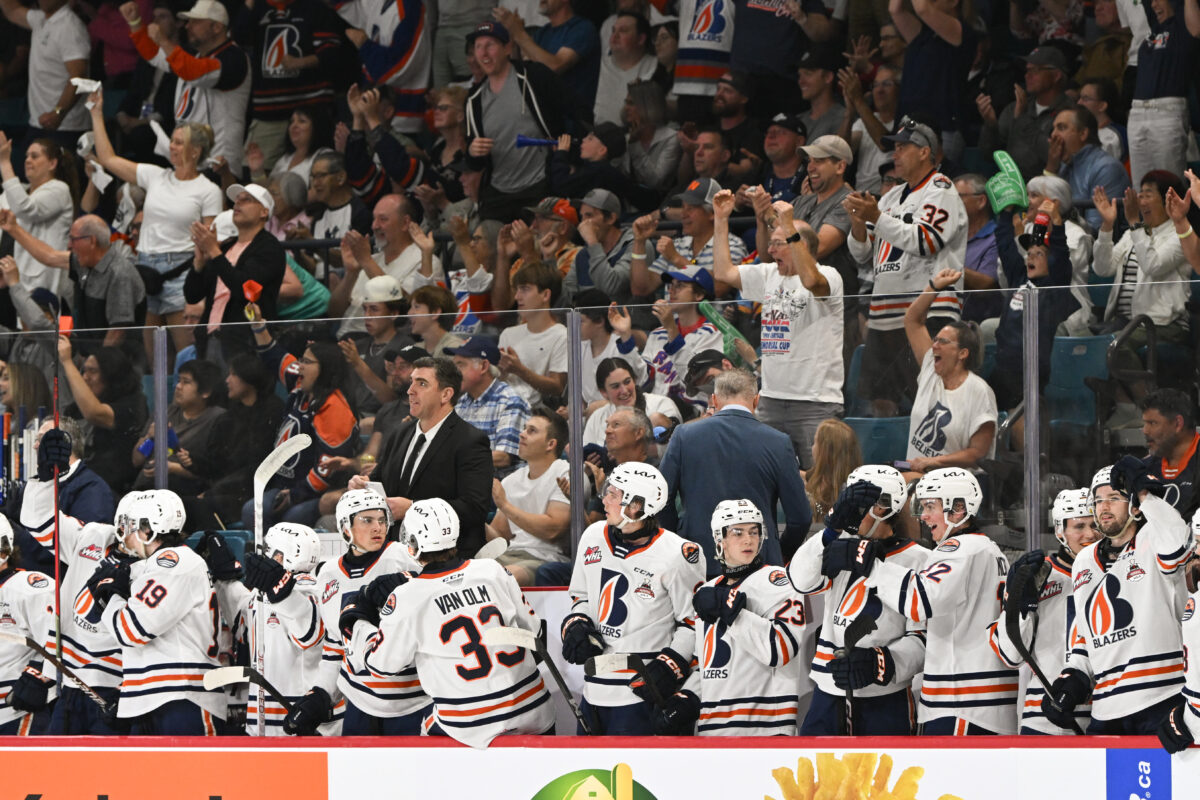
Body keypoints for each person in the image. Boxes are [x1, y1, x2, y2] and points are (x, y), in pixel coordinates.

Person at [346, 498, 555, 745]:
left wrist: (357, 620)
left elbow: (381, 666)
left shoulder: (407, 597)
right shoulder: (493, 570)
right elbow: (536, 635)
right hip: (536, 711)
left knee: (421, 724)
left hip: (471, 727)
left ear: (410, 542)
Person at [826, 468, 1017, 734]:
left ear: (958, 509)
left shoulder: (960, 549)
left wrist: (867, 563)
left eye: (930, 506)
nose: (924, 516)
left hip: (963, 703)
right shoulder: (988, 549)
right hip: (980, 702)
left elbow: (920, 600)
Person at [1046, 459, 1190, 734]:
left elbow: (1177, 545)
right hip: (1106, 708)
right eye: (1098, 500)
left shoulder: (1153, 539)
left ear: (1135, 506)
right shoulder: (1084, 561)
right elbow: (1083, 635)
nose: (1104, 507)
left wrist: (1146, 494)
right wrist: (1072, 679)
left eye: (1114, 497)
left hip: (1161, 698)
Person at [561, 461, 706, 735]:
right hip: (593, 690)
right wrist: (577, 622)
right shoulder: (593, 535)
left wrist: (671, 663)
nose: (604, 499)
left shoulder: (678, 554)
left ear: (635, 505)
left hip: (640, 694)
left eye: (614, 494)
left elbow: (693, 622)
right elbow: (581, 596)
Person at [789, 466, 929, 735]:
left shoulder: (920, 559)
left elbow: (922, 638)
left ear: (884, 508)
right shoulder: (838, 544)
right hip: (827, 694)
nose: (853, 512)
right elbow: (800, 580)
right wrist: (831, 530)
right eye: (849, 503)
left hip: (886, 699)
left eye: (860, 505)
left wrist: (881, 662)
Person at [87, 85, 221, 359]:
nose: (172, 146)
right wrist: (97, 113)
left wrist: (201, 283)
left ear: (196, 151)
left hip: (181, 271)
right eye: (172, 140)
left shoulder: (208, 190)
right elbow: (109, 159)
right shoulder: (155, 175)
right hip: (145, 269)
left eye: (180, 142)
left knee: (186, 357)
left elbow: (211, 244)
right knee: (154, 359)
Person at [845, 117, 967, 418]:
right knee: (881, 398)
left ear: (924, 152)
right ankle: (889, 458)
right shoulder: (889, 197)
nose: (894, 155)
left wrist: (877, 217)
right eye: (893, 148)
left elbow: (927, 241)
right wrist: (859, 224)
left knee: (933, 394)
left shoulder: (941, 190)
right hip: (885, 314)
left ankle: (932, 460)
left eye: (902, 148)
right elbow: (862, 254)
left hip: (930, 312)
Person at [658, 498, 812, 736]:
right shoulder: (707, 591)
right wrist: (687, 697)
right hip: (712, 732)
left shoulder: (780, 581)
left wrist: (732, 611)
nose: (748, 539)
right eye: (737, 533)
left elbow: (780, 649)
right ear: (720, 539)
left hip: (766, 730)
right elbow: (708, 665)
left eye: (754, 531)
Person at [715, 191, 844, 468]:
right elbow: (723, 273)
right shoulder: (768, 275)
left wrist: (790, 225)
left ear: (801, 246)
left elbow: (811, 281)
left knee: (820, 484)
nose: (770, 251)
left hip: (815, 401)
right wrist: (721, 218)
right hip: (771, 399)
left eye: (778, 243)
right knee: (764, 477)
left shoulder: (830, 275)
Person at [282, 489, 423, 736]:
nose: (378, 527)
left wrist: (414, 580)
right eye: (367, 521)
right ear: (346, 528)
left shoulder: (402, 557)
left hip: (411, 701)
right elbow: (336, 647)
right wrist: (320, 695)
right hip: (359, 704)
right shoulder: (328, 575)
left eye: (381, 520)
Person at [87, 490, 227, 734]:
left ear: (147, 530)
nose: (124, 536)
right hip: (154, 698)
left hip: (182, 698)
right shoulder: (154, 566)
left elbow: (132, 631)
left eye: (129, 527)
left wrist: (109, 597)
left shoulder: (174, 563)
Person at [658, 368, 812, 573]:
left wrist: (679, 542)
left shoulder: (684, 436)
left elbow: (660, 499)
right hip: (760, 563)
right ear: (756, 401)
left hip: (697, 561)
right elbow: (800, 518)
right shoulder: (778, 442)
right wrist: (780, 551)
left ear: (714, 400)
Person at [202, 523, 338, 735]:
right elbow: (245, 620)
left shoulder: (311, 589)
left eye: (268, 550)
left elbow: (309, 635)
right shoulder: (265, 594)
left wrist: (281, 593)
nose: (262, 555)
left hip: (306, 722)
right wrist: (224, 578)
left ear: (280, 557)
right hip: (266, 722)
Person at [989, 488, 1099, 734]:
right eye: (1079, 526)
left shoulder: (1114, 574)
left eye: (1095, 524)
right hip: (1043, 717)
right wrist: (1021, 606)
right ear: (1060, 531)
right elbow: (1011, 656)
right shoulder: (1036, 575)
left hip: (1102, 712)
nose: (1090, 534)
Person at [364, 357, 493, 557]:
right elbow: (380, 483)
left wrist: (414, 508)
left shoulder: (470, 441)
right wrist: (363, 486)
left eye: (422, 384)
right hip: (394, 553)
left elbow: (473, 509)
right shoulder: (401, 433)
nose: (410, 390)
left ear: (446, 394)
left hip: (445, 558)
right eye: (412, 381)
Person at [245, 307, 359, 528]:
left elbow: (328, 468)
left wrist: (295, 495)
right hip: (286, 485)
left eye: (306, 362)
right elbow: (275, 356)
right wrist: (258, 324)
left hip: (317, 493)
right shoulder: (301, 385)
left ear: (324, 369)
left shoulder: (334, 407)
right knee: (252, 510)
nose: (299, 366)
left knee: (291, 520)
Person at [121, 0, 250, 174]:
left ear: (217, 27)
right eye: (188, 21)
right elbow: (154, 55)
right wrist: (135, 23)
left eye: (196, 22)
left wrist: (163, 40)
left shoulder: (233, 58)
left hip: (218, 163)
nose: (188, 26)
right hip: (189, 159)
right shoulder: (194, 56)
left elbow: (194, 72)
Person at [464, 21, 572, 221]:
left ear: (507, 48)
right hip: (498, 192)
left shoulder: (535, 76)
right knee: (485, 245)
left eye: (490, 45)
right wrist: (472, 150)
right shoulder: (473, 99)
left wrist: (568, 156)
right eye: (478, 47)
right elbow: (474, 163)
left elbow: (573, 110)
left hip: (540, 186)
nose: (483, 53)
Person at [902, 271, 997, 475]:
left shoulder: (979, 391)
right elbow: (912, 320)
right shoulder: (931, 370)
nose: (934, 346)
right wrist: (933, 287)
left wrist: (933, 462)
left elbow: (977, 454)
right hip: (916, 476)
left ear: (962, 353)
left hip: (955, 481)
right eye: (934, 340)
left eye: (942, 342)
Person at [0, 212, 146, 345]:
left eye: (73, 239)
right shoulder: (85, 260)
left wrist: (96, 367)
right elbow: (49, 256)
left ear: (92, 241)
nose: (69, 245)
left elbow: (117, 332)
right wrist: (14, 229)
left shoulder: (120, 273)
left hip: (117, 362)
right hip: (90, 353)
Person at [237, 0, 346, 168]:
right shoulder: (258, 8)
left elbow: (331, 53)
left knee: (316, 171)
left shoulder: (315, 8)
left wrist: (301, 62)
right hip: (268, 111)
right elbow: (238, 38)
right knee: (254, 170)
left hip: (311, 110)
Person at [990, 200, 1075, 414]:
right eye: (1029, 252)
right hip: (1003, 364)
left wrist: (1056, 223)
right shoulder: (1019, 277)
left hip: (1030, 368)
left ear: (1051, 260)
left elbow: (1062, 255)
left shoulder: (1054, 286)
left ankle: (1027, 448)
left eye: (1039, 254)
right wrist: (1006, 213)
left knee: (1019, 413)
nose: (1031, 257)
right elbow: (1005, 246)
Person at [187, 183, 287, 364]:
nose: (237, 204)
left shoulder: (269, 248)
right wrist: (199, 264)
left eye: (246, 200)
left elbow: (245, 289)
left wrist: (214, 252)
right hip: (210, 339)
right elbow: (192, 295)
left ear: (264, 212)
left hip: (245, 344)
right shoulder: (226, 248)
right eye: (236, 200)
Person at [185, 353, 283, 531]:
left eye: (233, 374)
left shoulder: (272, 412)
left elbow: (258, 466)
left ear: (249, 377)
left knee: (198, 506)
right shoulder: (229, 417)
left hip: (251, 490)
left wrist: (212, 493)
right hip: (225, 490)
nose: (227, 380)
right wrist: (193, 461)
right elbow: (217, 464)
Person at [1092, 175, 1192, 344]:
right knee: (1078, 341)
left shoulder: (1180, 235)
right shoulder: (1132, 234)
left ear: (1169, 201)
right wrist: (1107, 226)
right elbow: (1102, 269)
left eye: (1148, 195)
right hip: (1123, 323)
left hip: (1162, 324)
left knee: (1113, 346)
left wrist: (1134, 223)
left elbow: (1153, 265)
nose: (1141, 200)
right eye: (1141, 195)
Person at [332, 194, 439, 339]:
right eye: (374, 219)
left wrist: (366, 262)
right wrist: (351, 273)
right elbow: (334, 313)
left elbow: (406, 308)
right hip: (343, 338)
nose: (374, 226)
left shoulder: (425, 261)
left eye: (383, 219)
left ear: (405, 223)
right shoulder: (370, 260)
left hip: (384, 344)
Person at [489, 407, 571, 586]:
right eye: (524, 429)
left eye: (531, 431)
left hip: (547, 559)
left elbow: (553, 530)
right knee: (466, 575)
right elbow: (500, 537)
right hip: (509, 555)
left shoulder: (565, 473)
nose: (522, 435)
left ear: (551, 444)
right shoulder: (512, 480)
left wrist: (504, 505)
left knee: (503, 578)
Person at [1125, 0, 1200, 190]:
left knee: (1169, 187)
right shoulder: (1154, 29)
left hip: (1167, 113)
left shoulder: (1182, 29)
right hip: (1137, 114)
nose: (1153, 5)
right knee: (1141, 188)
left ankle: (1178, 221)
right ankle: (1144, 221)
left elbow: (1197, 29)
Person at [58, 341, 149, 493]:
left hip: (114, 490)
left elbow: (95, 413)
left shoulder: (133, 404)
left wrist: (67, 362)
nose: (85, 377)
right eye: (84, 371)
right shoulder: (77, 408)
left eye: (93, 371)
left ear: (111, 374)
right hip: (82, 483)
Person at [0, 0, 90, 150]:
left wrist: (58, 112)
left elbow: (78, 77)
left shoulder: (70, 26)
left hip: (66, 126)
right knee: (29, 171)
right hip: (39, 122)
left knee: (60, 173)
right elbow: (12, 10)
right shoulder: (40, 19)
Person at [977, 46, 1074, 181]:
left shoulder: (1070, 113)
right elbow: (988, 154)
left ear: (1056, 75)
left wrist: (1022, 119)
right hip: (1010, 188)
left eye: (1035, 70)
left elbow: (1057, 156)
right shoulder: (1016, 107)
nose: (1027, 75)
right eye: (1027, 70)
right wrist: (990, 125)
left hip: (1047, 187)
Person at [494, 0, 600, 122]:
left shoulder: (582, 28)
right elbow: (522, 72)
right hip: (544, 123)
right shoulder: (542, 33)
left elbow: (555, 66)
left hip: (573, 124)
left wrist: (519, 33)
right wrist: (513, 38)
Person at [0, 517, 57, 736]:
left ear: (4, 550)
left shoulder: (28, 588)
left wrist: (39, 673)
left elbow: (64, 641)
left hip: (16, 712)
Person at [0, 134, 76, 296]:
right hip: (21, 275)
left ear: (52, 163)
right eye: (27, 156)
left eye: (35, 156)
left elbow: (25, 209)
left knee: (42, 321)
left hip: (46, 279)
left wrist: (5, 162)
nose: (28, 160)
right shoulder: (25, 190)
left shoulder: (59, 189)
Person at [639, 265, 723, 401]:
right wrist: (626, 340)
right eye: (670, 286)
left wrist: (672, 329)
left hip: (695, 410)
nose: (671, 291)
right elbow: (643, 380)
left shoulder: (713, 333)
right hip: (656, 408)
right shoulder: (657, 334)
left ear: (699, 295)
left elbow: (699, 381)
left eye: (680, 286)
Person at [448, 336, 530, 473]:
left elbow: (503, 457)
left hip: (500, 486)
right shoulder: (462, 403)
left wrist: (455, 458)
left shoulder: (510, 401)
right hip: (468, 483)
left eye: (461, 365)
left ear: (484, 366)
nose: (453, 372)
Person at [1045, 107, 1130, 232]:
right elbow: (1041, 212)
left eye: (1061, 128)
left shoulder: (1106, 168)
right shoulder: (1062, 165)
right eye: (1053, 129)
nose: (1053, 135)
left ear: (1083, 134)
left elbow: (1097, 230)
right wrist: (1051, 168)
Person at [497, 261, 568, 407]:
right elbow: (498, 381)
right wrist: (500, 372)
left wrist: (519, 370)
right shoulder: (508, 333)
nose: (517, 297)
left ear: (546, 295)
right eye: (517, 289)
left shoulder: (561, 335)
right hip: (503, 407)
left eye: (525, 289)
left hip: (540, 414)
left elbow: (558, 387)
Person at [583, 357, 679, 448]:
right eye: (616, 386)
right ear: (604, 392)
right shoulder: (596, 418)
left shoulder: (662, 405)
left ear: (635, 380)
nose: (624, 390)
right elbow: (585, 460)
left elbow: (674, 449)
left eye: (627, 382)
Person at [565, 192, 637, 306]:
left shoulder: (635, 246)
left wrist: (593, 242)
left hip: (624, 321)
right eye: (582, 216)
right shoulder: (583, 254)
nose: (583, 223)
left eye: (589, 215)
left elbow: (611, 287)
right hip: (588, 322)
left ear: (611, 218)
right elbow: (568, 296)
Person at [594, 11, 664, 126]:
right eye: (613, 30)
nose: (615, 36)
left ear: (641, 39)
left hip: (638, 136)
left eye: (623, 31)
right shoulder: (596, 65)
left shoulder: (657, 66)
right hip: (596, 136)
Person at [1141, 389, 1200, 519]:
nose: (1145, 430)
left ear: (1177, 423)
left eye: (1152, 423)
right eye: (1144, 423)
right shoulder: (1144, 468)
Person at [247, 108, 334, 188]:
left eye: (302, 121)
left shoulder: (323, 155)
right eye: (292, 121)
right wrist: (257, 171)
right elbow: (269, 193)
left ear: (317, 126)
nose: (294, 126)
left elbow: (321, 193)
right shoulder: (285, 159)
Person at [802, 419, 862, 531]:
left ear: (825, 452)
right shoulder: (819, 476)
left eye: (815, 442)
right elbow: (803, 475)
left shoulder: (847, 493)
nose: (812, 447)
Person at [408, 284, 465, 358]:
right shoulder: (416, 348)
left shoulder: (454, 348)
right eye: (411, 307)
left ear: (435, 312)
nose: (409, 313)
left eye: (416, 307)